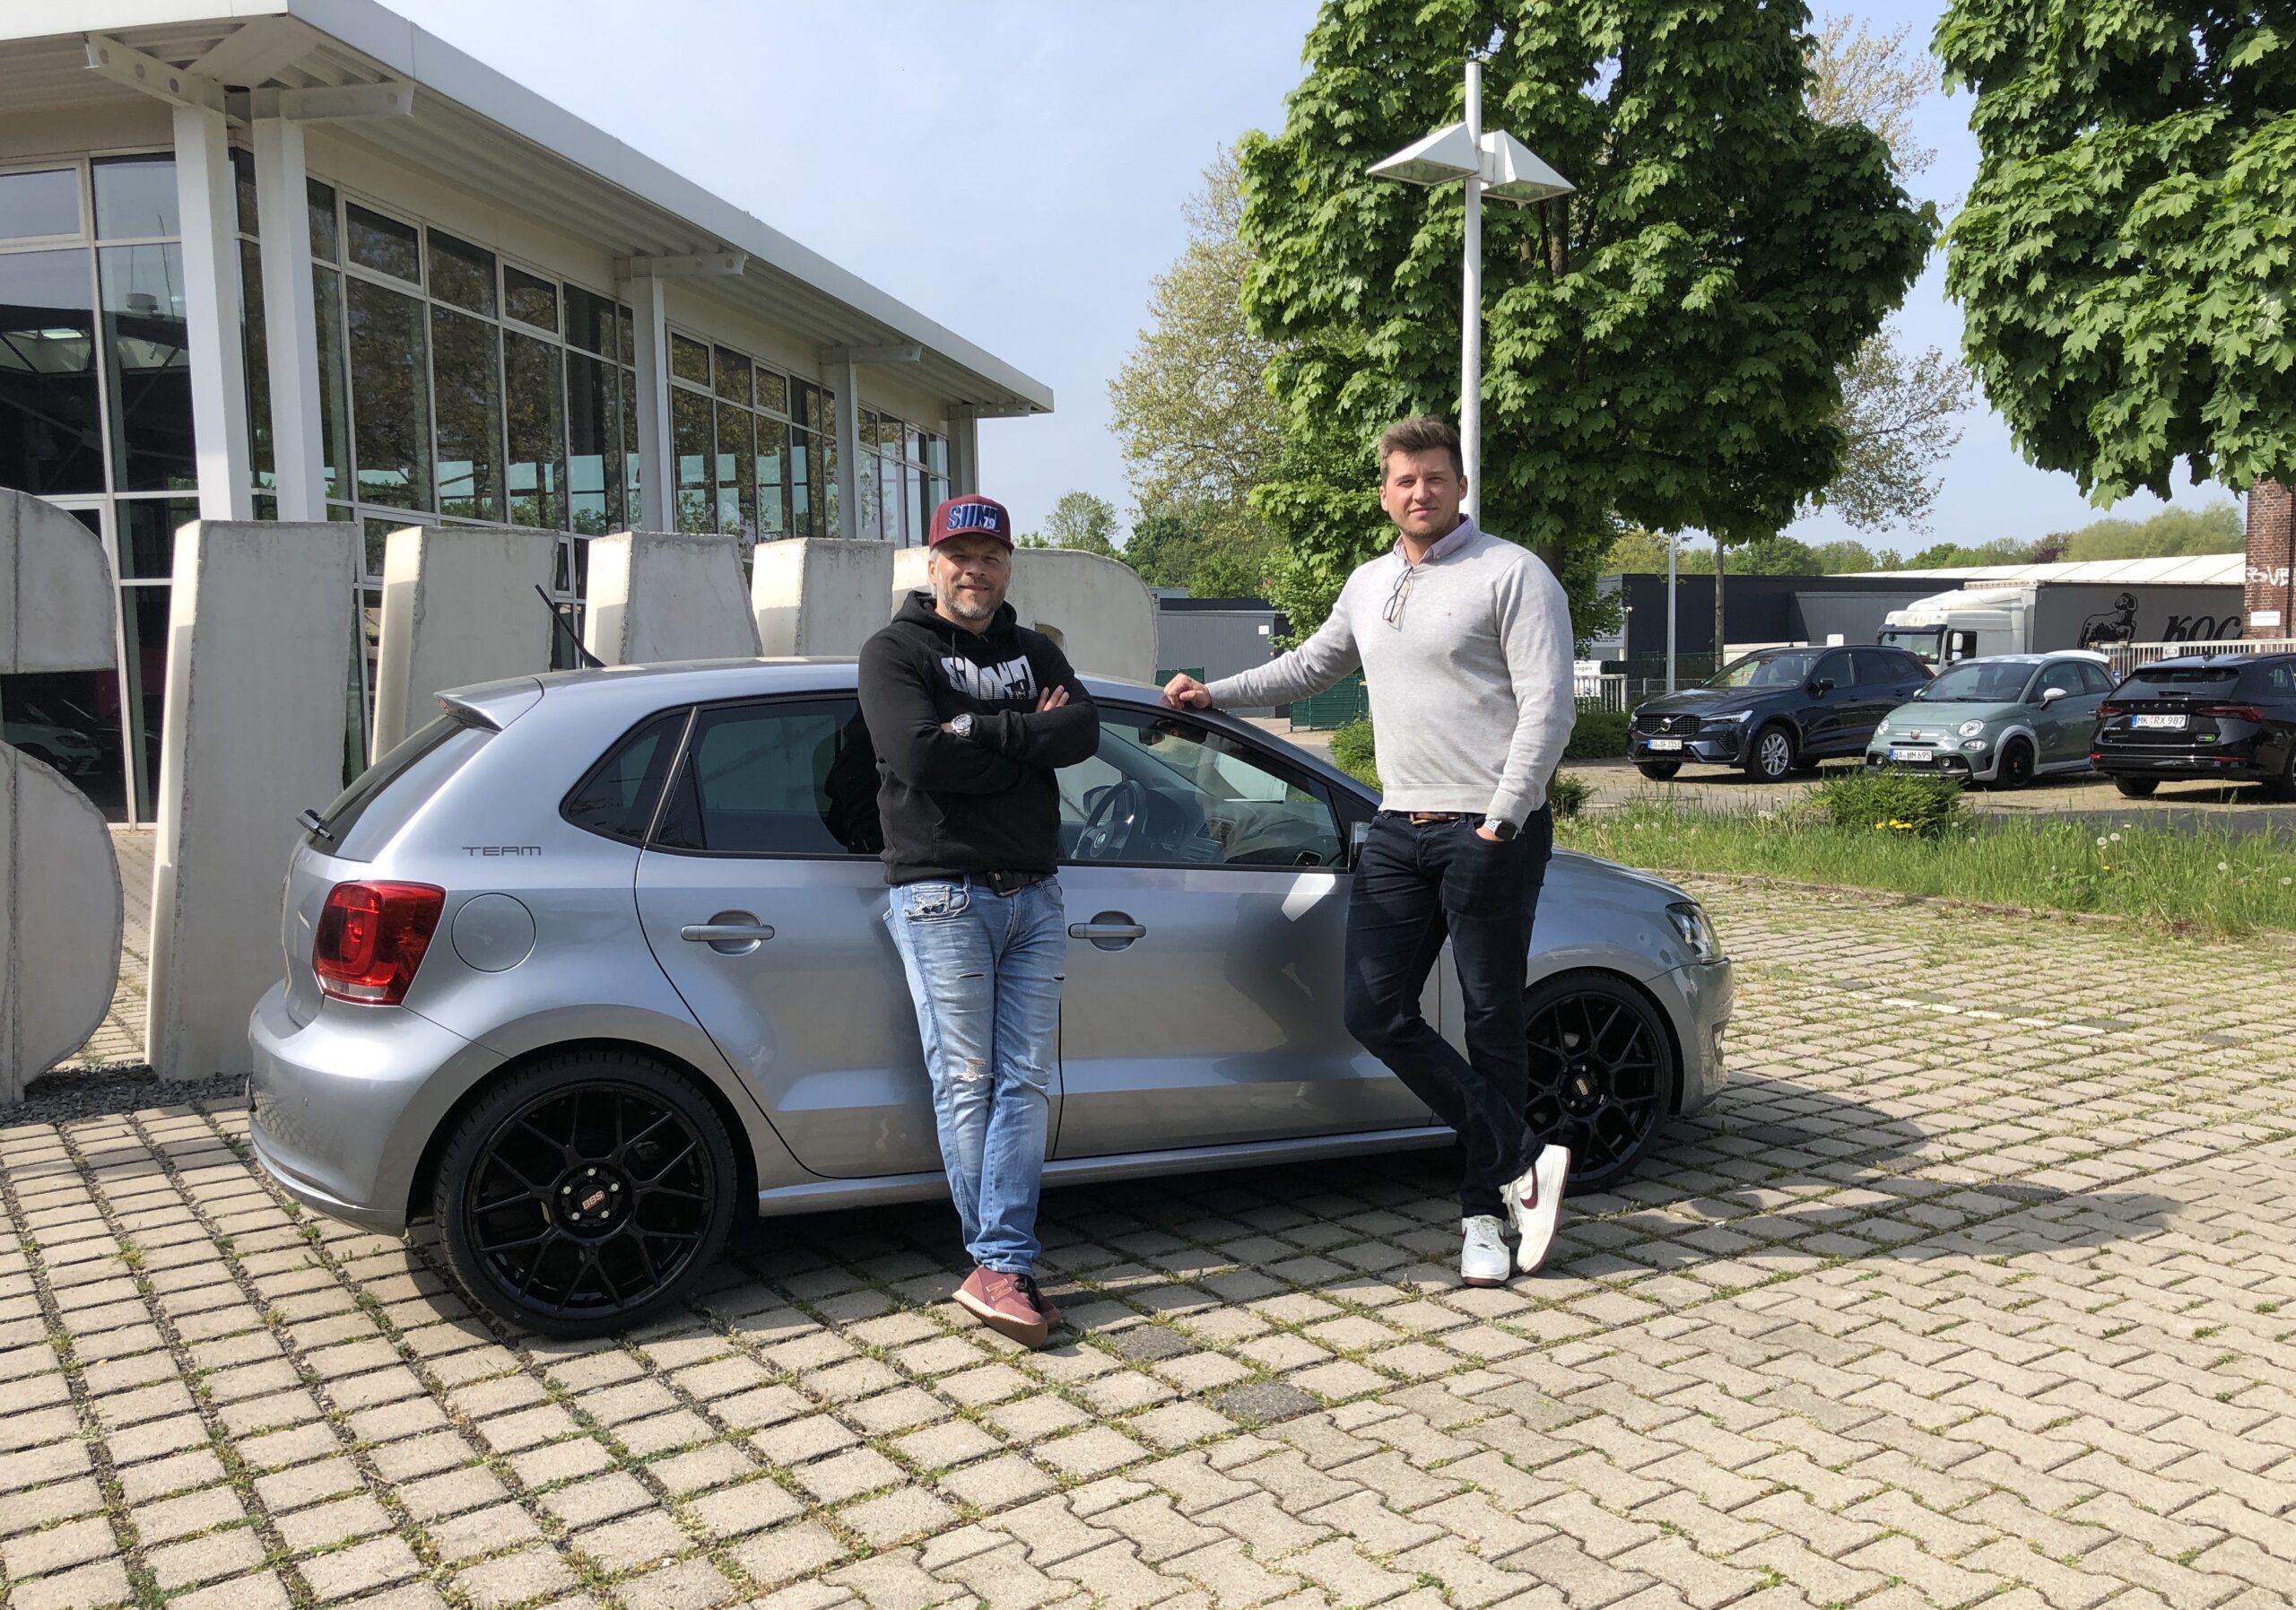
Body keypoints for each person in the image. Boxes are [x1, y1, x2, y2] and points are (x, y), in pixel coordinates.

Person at [1164, 416, 1575, 1287]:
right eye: (1404, 479)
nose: (1420, 491)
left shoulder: (1513, 573)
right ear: (1384, 493)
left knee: (1492, 1019)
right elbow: (1308, 667)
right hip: (1397, 827)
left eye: (1435, 476)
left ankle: (1483, 1214)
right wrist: (1214, 695)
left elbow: (1549, 709)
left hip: (1489, 827)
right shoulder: (1368, 582)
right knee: (1373, 1010)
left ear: (1460, 486)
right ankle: (1521, 1155)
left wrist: (1502, 820)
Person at [859, 494, 1100, 1346]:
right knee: (968, 1080)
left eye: (990, 556)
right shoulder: (895, 651)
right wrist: (1026, 742)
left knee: (1025, 1081)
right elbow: (917, 755)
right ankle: (1000, 1261)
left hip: (1035, 891)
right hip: (943, 894)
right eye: (959, 555)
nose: (975, 569)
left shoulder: (1036, 650)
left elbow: (1084, 731)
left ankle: (1000, 1266)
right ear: (932, 565)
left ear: (1007, 566)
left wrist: (981, 732)